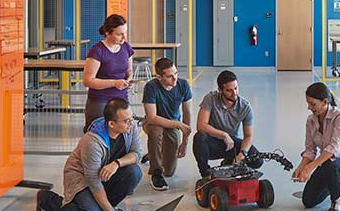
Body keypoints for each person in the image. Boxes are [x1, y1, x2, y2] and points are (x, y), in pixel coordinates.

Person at [35, 98, 142, 211]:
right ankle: (45, 198)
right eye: (127, 121)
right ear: (112, 124)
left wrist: (116, 163)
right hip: (82, 177)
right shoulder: (92, 142)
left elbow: (136, 154)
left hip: (105, 172)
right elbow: (93, 180)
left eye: (132, 118)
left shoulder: (130, 128)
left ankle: (101, 206)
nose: (131, 123)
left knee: (134, 172)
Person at [292, 82, 340, 211]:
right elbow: (310, 149)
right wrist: (301, 167)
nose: (309, 108)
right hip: (327, 166)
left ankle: (336, 203)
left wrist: (310, 168)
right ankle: (338, 183)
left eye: (312, 104)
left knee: (330, 162)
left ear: (325, 102)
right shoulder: (310, 120)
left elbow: (332, 149)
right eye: (308, 103)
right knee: (308, 201)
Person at [193, 70, 263, 178]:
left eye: (236, 88)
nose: (234, 93)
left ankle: (229, 163)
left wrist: (242, 154)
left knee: (257, 160)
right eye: (229, 90)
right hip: (212, 143)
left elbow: (248, 135)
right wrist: (224, 135)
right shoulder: (210, 99)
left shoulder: (245, 107)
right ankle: (205, 174)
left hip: (231, 144)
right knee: (199, 137)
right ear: (220, 90)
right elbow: (201, 125)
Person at [142, 57, 192, 190]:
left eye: (175, 73)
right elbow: (152, 117)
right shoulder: (151, 87)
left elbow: (187, 113)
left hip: (172, 125)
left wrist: (184, 142)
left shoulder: (183, 85)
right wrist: (178, 125)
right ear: (159, 77)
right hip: (154, 123)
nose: (175, 79)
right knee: (155, 132)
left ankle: (154, 153)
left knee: (169, 172)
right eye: (170, 76)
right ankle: (156, 172)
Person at [83, 14, 134, 132]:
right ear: (107, 33)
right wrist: (114, 83)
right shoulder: (97, 51)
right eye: (119, 34)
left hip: (121, 98)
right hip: (100, 100)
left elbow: (129, 70)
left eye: (125, 33)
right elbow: (88, 80)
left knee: (123, 132)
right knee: (98, 133)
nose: (123, 37)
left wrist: (129, 79)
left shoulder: (126, 47)